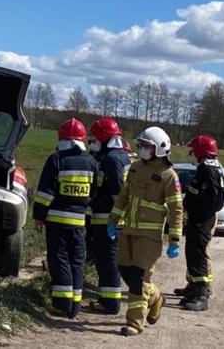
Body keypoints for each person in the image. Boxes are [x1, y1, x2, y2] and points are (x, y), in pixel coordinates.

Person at [108, 126, 183, 336]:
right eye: (141, 145)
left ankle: (134, 323)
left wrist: (174, 239)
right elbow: (124, 196)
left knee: (139, 278)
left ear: (159, 148)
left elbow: (176, 209)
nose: (142, 149)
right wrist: (113, 220)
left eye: (146, 146)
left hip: (149, 237)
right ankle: (156, 298)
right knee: (125, 270)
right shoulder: (135, 168)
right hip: (129, 231)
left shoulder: (169, 176)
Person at [33, 118, 100, 318]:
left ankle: (62, 304)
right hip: (80, 222)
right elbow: (94, 191)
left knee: (59, 259)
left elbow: (45, 192)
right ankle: (74, 306)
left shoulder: (56, 159)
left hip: (57, 221)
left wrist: (38, 215)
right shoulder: (91, 162)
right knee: (76, 261)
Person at [83, 118, 131, 315]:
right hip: (113, 218)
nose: (91, 143)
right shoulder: (122, 155)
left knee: (107, 259)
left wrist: (114, 219)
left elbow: (117, 192)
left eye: (93, 139)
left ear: (103, 138)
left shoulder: (111, 159)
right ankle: (107, 298)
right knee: (108, 259)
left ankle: (110, 302)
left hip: (108, 218)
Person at [174, 135, 224, 312]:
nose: (191, 154)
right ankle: (194, 289)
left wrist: (197, 216)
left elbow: (211, 199)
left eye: (193, 150)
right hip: (199, 218)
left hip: (202, 219)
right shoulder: (209, 167)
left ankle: (201, 296)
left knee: (199, 255)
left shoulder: (208, 170)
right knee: (192, 253)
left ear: (200, 151)